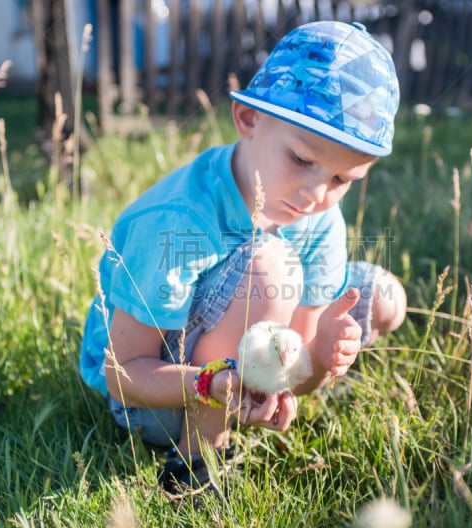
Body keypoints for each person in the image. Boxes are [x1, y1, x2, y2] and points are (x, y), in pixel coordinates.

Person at [80, 19, 407, 494]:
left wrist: (316, 355)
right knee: (270, 265)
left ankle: (239, 406)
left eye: (341, 180)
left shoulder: (319, 218)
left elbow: (295, 372)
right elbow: (123, 373)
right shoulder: (179, 221)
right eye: (301, 159)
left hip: (242, 364)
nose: (316, 195)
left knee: (382, 298)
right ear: (249, 120)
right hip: (161, 391)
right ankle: (197, 462)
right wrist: (209, 384)